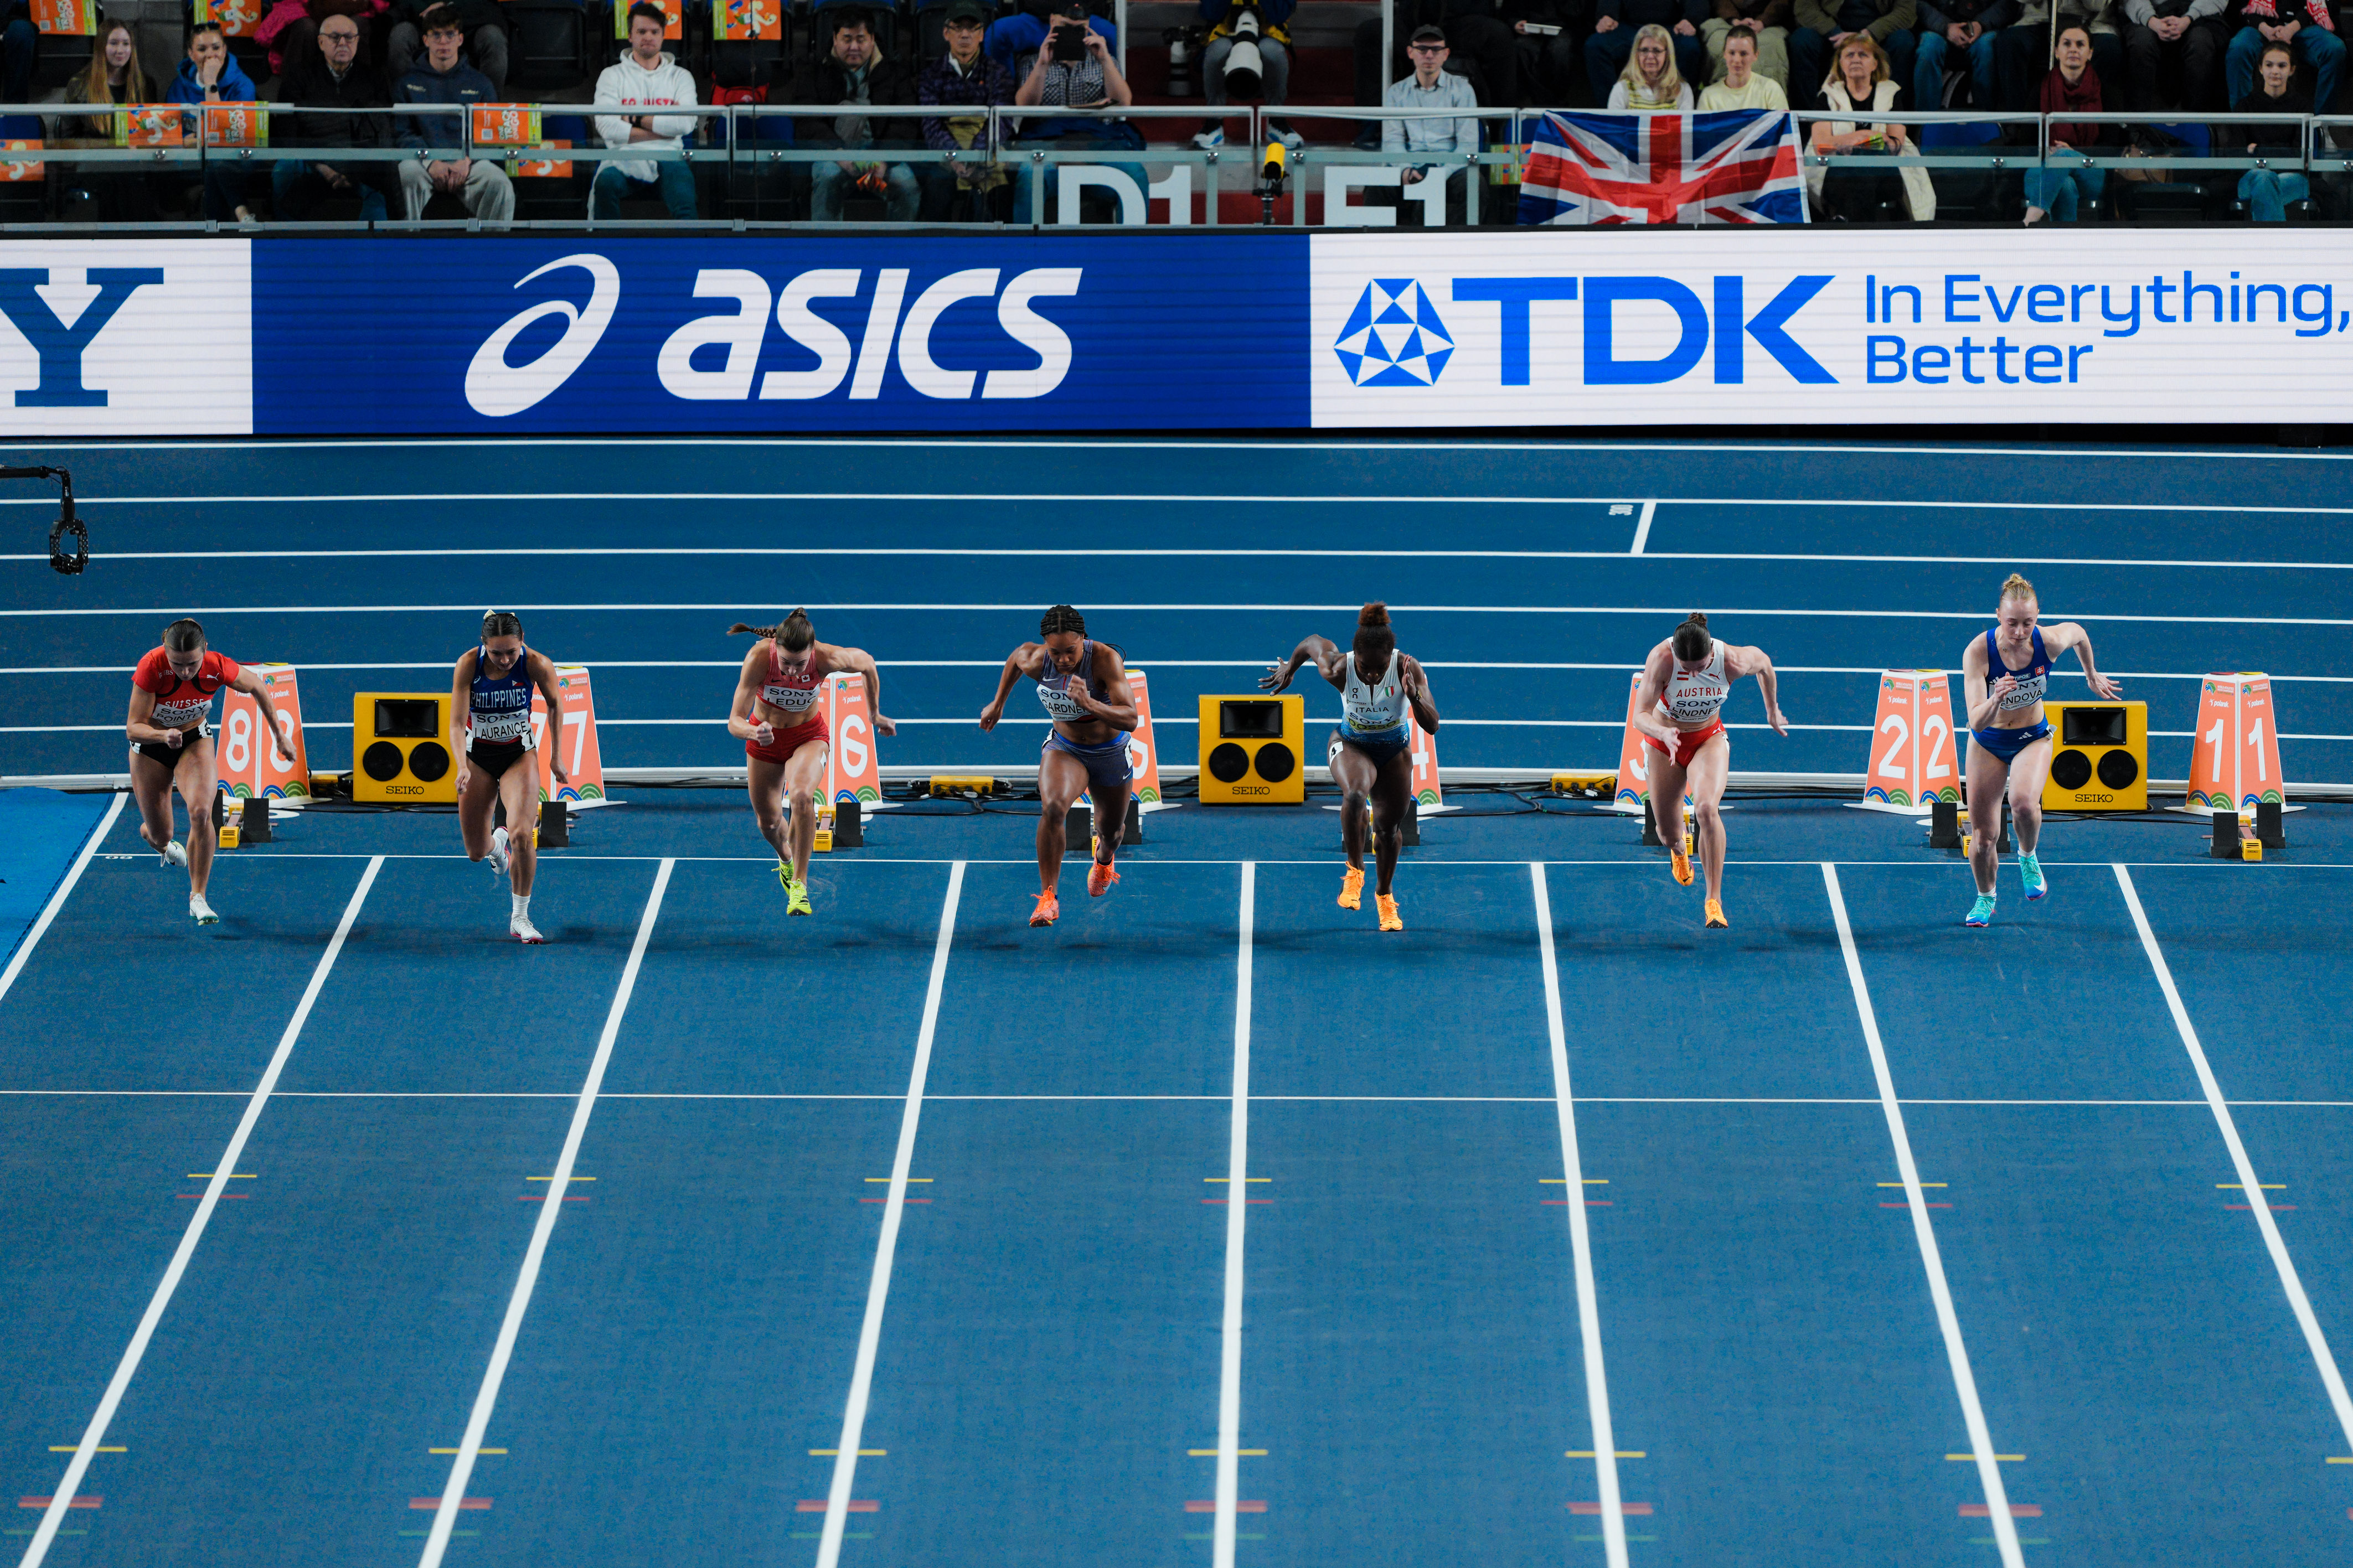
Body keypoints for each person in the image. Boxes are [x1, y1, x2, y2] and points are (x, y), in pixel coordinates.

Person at [1260, 603, 1439, 934]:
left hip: (1394, 751)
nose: (1372, 675)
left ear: (1390, 658)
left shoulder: (1407, 668)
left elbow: (1433, 725)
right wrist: (1290, 669)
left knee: (1388, 831)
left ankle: (1384, 896)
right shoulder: (1339, 668)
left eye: (1380, 668)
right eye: (1365, 668)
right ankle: (1355, 872)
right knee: (1356, 794)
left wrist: (1414, 697)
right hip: (1351, 744)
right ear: (1355, 657)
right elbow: (1312, 642)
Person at [1958, 573, 2119, 928]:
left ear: (2037, 617)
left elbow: (2079, 633)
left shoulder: (2048, 641)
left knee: (2024, 804)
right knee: (1983, 839)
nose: (2019, 632)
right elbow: (1976, 723)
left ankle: (2028, 856)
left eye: (2028, 623)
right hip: (1988, 742)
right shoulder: (1978, 652)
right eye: (2012, 623)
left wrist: (2091, 673)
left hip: (2033, 736)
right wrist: (1996, 699)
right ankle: (1986, 897)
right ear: (1998, 616)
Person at [126, 618, 298, 928]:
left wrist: (279, 736)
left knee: (202, 812)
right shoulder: (151, 666)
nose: (185, 672)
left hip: (194, 740)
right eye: (177, 664)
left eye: (192, 664)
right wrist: (163, 735)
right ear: (165, 652)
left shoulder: (217, 666)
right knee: (161, 834)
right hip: (151, 747)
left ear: (204, 650)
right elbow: (133, 728)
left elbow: (258, 686)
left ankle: (198, 897)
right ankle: (161, 843)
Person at [725, 608, 893, 918]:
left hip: (809, 736)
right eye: (786, 663)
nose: (791, 671)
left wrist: (875, 714)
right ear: (776, 648)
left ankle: (800, 886)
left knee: (802, 796)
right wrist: (753, 731)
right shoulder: (759, 658)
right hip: (764, 739)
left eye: (800, 664)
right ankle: (786, 859)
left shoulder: (828, 658)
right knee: (769, 823)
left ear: (812, 651)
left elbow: (868, 664)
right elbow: (734, 721)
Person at [978, 606, 1138, 929]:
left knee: (1111, 832)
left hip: (1109, 751)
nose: (1063, 660)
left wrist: (1089, 703)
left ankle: (1104, 859)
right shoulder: (1037, 660)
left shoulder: (1105, 660)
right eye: (1056, 652)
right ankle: (1048, 898)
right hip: (1066, 749)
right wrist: (998, 703)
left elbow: (1131, 718)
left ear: (1084, 639)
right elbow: (1016, 659)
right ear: (1046, 647)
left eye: (1070, 651)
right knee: (1052, 808)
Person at [1629, 612, 1785, 930]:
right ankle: (1679, 849)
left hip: (1707, 739)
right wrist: (1662, 733)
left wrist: (1772, 710)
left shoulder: (1732, 661)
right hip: (1664, 743)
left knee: (1705, 808)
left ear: (1711, 653)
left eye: (1699, 668)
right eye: (1686, 668)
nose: (1692, 674)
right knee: (1667, 834)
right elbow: (1640, 715)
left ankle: (1714, 901)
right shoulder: (1661, 659)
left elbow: (1766, 666)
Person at [450, 610, 568, 943]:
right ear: (483, 644)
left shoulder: (537, 664)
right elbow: (457, 723)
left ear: (522, 641)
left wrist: (556, 756)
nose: (504, 660)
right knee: (476, 851)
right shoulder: (468, 665)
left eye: (511, 652)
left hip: (519, 755)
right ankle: (496, 848)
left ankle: (520, 917)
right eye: (496, 653)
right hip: (478, 758)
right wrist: (461, 766)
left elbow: (556, 705)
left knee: (522, 835)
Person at [1012, 0, 1146, 223]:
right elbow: (1023, 107)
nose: (1072, 33)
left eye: (1080, 28)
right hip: (1047, 149)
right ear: (1052, 22)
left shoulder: (1105, 60)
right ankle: (1025, 243)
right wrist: (1043, 65)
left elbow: (1124, 103)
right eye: (1066, 26)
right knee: (1029, 176)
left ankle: (1133, 243)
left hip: (1097, 148)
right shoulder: (1031, 62)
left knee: (1135, 173)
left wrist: (1104, 59)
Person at [783, 8, 921, 223]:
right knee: (827, 177)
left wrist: (884, 159)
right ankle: (826, 241)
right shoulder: (813, 72)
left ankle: (898, 242)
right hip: (835, 158)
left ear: (872, 39)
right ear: (835, 39)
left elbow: (906, 123)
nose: (854, 47)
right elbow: (807, 122)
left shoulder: (895, 73)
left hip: (878, 162)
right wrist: (838, 153)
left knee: (906, 185)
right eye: (847, 39)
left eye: (861, 39)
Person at [271, 16, 403, 221]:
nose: (343, 43)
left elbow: (383, 132)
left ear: (357, 42)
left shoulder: (374, 78)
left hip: (360, 166)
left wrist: (351, 171)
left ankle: (378, 240)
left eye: (349, 37)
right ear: (321, 42)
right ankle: (284, 236)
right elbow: (288, 132)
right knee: (284, 168)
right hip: (313, 161)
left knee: (381, 192)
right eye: (335, 37)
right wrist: (322, 166)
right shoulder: (299, 77)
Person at [395, 2, 514, 224]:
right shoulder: (407, 83)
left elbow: (490, 136)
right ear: (425, 40)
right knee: (406, 174)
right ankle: (406, 242)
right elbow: (403, 133)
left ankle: (491, 244)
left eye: (450, 35)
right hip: (423, 161)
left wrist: (467, 160)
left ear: (460, 39)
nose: (443, 41)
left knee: (500, 184)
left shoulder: (481, 83)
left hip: (468, 163)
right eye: (436, 35)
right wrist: (430, 161)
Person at [1805, 32, 1935, 218]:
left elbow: (1895, 144)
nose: (1856, 59)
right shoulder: (1827, 97)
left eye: (1863, 55)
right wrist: (1867, 137)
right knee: (1855, 176)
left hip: (1885, 173)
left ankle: (1847, 223)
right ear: (1840, 64)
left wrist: (1849, 143)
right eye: (1850, 55)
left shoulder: (1891, 94)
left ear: (1875, 64)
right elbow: (1821, 146)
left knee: (1863, 169)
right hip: (1837, 173)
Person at [592, 1, 699, 219]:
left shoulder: (681, 77)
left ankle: (689, 242)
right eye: (641, 32)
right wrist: (664, 131)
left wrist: (635, 119)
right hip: (623, 157)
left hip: (671, 157)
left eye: (654, 32)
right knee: (604, 184)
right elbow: (606, 127)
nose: (648, 37)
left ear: (663, 36)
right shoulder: (611, 75)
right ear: (630, 36)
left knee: (685, 202)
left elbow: (686, 124)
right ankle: (607, 241)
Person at [917, 0, 1015, 220]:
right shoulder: (930, 75)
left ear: (981, 35)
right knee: (937, 189)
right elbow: (931, 123)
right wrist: (955, 156)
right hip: (947, 157)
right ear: (946, 33)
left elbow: (1002, 120)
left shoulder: (998, 73)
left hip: (987, 153)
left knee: (1001, 194)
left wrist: (977, 156)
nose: (965, 35)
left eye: (972, 29)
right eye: (958, 28)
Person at [58, 19, 157, 221]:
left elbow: (154, 131)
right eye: (113, 43)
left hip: (135, 161)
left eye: (126, 44)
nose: (120, 50)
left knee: (131, 177)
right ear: (101, 46)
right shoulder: (79, 84)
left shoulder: (145, 83)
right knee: (117, 179)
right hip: (93, 162)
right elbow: (68, 138)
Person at [165, 21, 260, 223]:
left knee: (216, 157)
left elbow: (232, 137)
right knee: (213, 159)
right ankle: (241, 212)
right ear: (191, 54)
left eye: (216, 48)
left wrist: (210, 83)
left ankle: (223, 223)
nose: (210, 55)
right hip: (190, 162)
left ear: (224, 50)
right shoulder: (178, 87)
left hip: (235, 161)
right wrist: (189, 141)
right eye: (202, 49)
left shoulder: (243, 85)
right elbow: (171, 133)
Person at [1383, 25, 1479, 223]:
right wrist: (1405, 169)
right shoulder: (1396, 92)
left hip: (1450, 166)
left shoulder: (1463, 90)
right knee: (1377, 187)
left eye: (1436, 50)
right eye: (1422, 49)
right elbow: (1392, 140)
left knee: (1473, 185)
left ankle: (1453, 240)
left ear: (1446, 54)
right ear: (1410, 52)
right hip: (1412, 162)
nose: (1429, 55)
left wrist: (1442, 174)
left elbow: (1468, 144)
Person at [2022, 23, 2109, 220]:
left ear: (2090, 53)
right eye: (2067, 44)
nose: (2073, 49)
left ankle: (2029, 222)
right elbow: (2025, 141)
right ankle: (2065, 237)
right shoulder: (2039, 91)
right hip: (2043, 166)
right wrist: (2049, 153)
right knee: (2066, 185)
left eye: (2080, 45)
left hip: (2090, 170)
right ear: (2056, 52)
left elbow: (2112, 146)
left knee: (2064, 156)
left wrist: (2072, 153)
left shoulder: (2106, 93)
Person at [1195, 0, 1301, 148]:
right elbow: (1211, 13)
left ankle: (1276, 121)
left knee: (1273, 51)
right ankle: (1214, 122)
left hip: (1266, 35)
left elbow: (1279, 16)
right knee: (1218, 51)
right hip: (1226, 34)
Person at [2232, 39, 2312, 218]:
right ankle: (2275, 236)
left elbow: (2300, 155)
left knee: (2266, 182)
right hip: (2251, 178)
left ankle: (2266, 236)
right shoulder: (2244, 106)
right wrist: (2282, 150)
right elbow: (2237, 153)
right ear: (2261, 68)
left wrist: (2258, 150)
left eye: (2282, 66)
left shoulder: (2303, 107)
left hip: (2294, 178)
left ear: (2292, 70)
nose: (2275, 71)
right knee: (2263, 178)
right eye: (2269, 65)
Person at [1789, 0, 1913, 106]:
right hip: (1830, 34)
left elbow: (1906, 11)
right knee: (1802, 40)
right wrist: (1835, 33)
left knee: (1903, 41)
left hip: (1880, 36)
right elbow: (1804, 7)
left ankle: (1896, 117)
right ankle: (1808, 120)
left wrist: (1869, 34)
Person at [1998, 0, 2120, 107]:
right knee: (2010, 42)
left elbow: (2096, 5)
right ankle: (2020, 120)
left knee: (2108, 48)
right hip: (2040, 20)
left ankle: (2096, 119)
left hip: (2092, 24)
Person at [2225, 0, 2340, 112]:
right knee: (2239, 48)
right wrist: (2266, 29)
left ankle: (2321, 121)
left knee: (2334, 49)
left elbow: (2329, 4)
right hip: (2261, 27)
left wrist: (2291, 29)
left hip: (2304, 26)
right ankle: (2242, 118)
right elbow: (2240, 5)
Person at [1587, 0, 1706, 101]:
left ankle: (1676, 106)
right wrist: (1607, 15)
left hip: (1672, 27)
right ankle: (1611, 111)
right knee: (1595, 45)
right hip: (1630, 27)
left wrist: (1691, 19)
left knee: (1690, 48)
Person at [2118, 0, 2222, 110]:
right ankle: (2138, 117)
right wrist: (2151, 21)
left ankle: (2198, 117)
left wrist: (2188, 18)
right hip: (2145, 17)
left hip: (2200, 16)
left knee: (2200, 43)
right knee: (2142, 42)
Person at [386, 0, 508, 91]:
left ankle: (488, 109)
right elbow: (402, 4)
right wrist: (435, 15)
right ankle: (403, 105)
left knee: (494, 38)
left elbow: (488, 7)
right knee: (401, 35)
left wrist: (448, 6)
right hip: (422, 24)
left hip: (469, 24)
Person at [1912, 0, 2005, 110]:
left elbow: (2008, 5)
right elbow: (1917, 4)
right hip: (1938, 29)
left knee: (1987, 49)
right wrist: (1946, 27)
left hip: (1983, 30)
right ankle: (1926, 118)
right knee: (1929, 49)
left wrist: (1981, 24)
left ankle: (1986, 117)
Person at [1702, 0, 1791, 88]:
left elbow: (1781, 2)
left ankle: (1767, 94)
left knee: (1771, 48)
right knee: (1720, 45)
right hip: (1728, 22)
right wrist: (1735, 21)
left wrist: (1763, 21)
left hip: (1770, 23)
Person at [1700, 22, 1789, 100]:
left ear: (1756, 55)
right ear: (1724, 54)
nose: (1737, 60)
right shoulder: (1709, 96)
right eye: (1732, 53)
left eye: (1743, 54)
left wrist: (1762, 22)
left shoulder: (1773, 91)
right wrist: (1733, 20)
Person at [1610, 20, 1696, 100]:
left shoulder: (1683, 90)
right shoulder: (1621, 89)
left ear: (1667, 55)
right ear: (1636, 54)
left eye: (1657, 51)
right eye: (1644, 50)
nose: (1650, 56)